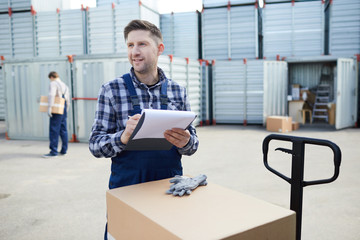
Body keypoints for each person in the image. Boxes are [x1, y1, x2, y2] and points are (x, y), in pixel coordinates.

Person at [88, 19, 199, 239]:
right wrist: (123, 137)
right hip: (127, 189)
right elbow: (95, 145)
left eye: (142, 44)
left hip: (167, 188)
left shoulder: (178, 91)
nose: (135, 52)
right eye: (130, 45)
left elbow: (193, 144)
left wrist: (186, 142)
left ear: (159, 49)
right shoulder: (111, 90)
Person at [42, 71, 70, 158]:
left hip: (56, 107)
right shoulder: (64, 85)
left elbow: (51, 95)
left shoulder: (53, 83)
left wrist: (49, 108)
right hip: (63, 107)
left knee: (54, 129)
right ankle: (64, 150)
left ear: (51, 77)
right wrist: (66, 109)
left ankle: (53, 152)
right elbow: (68, 99)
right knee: (63, 129)